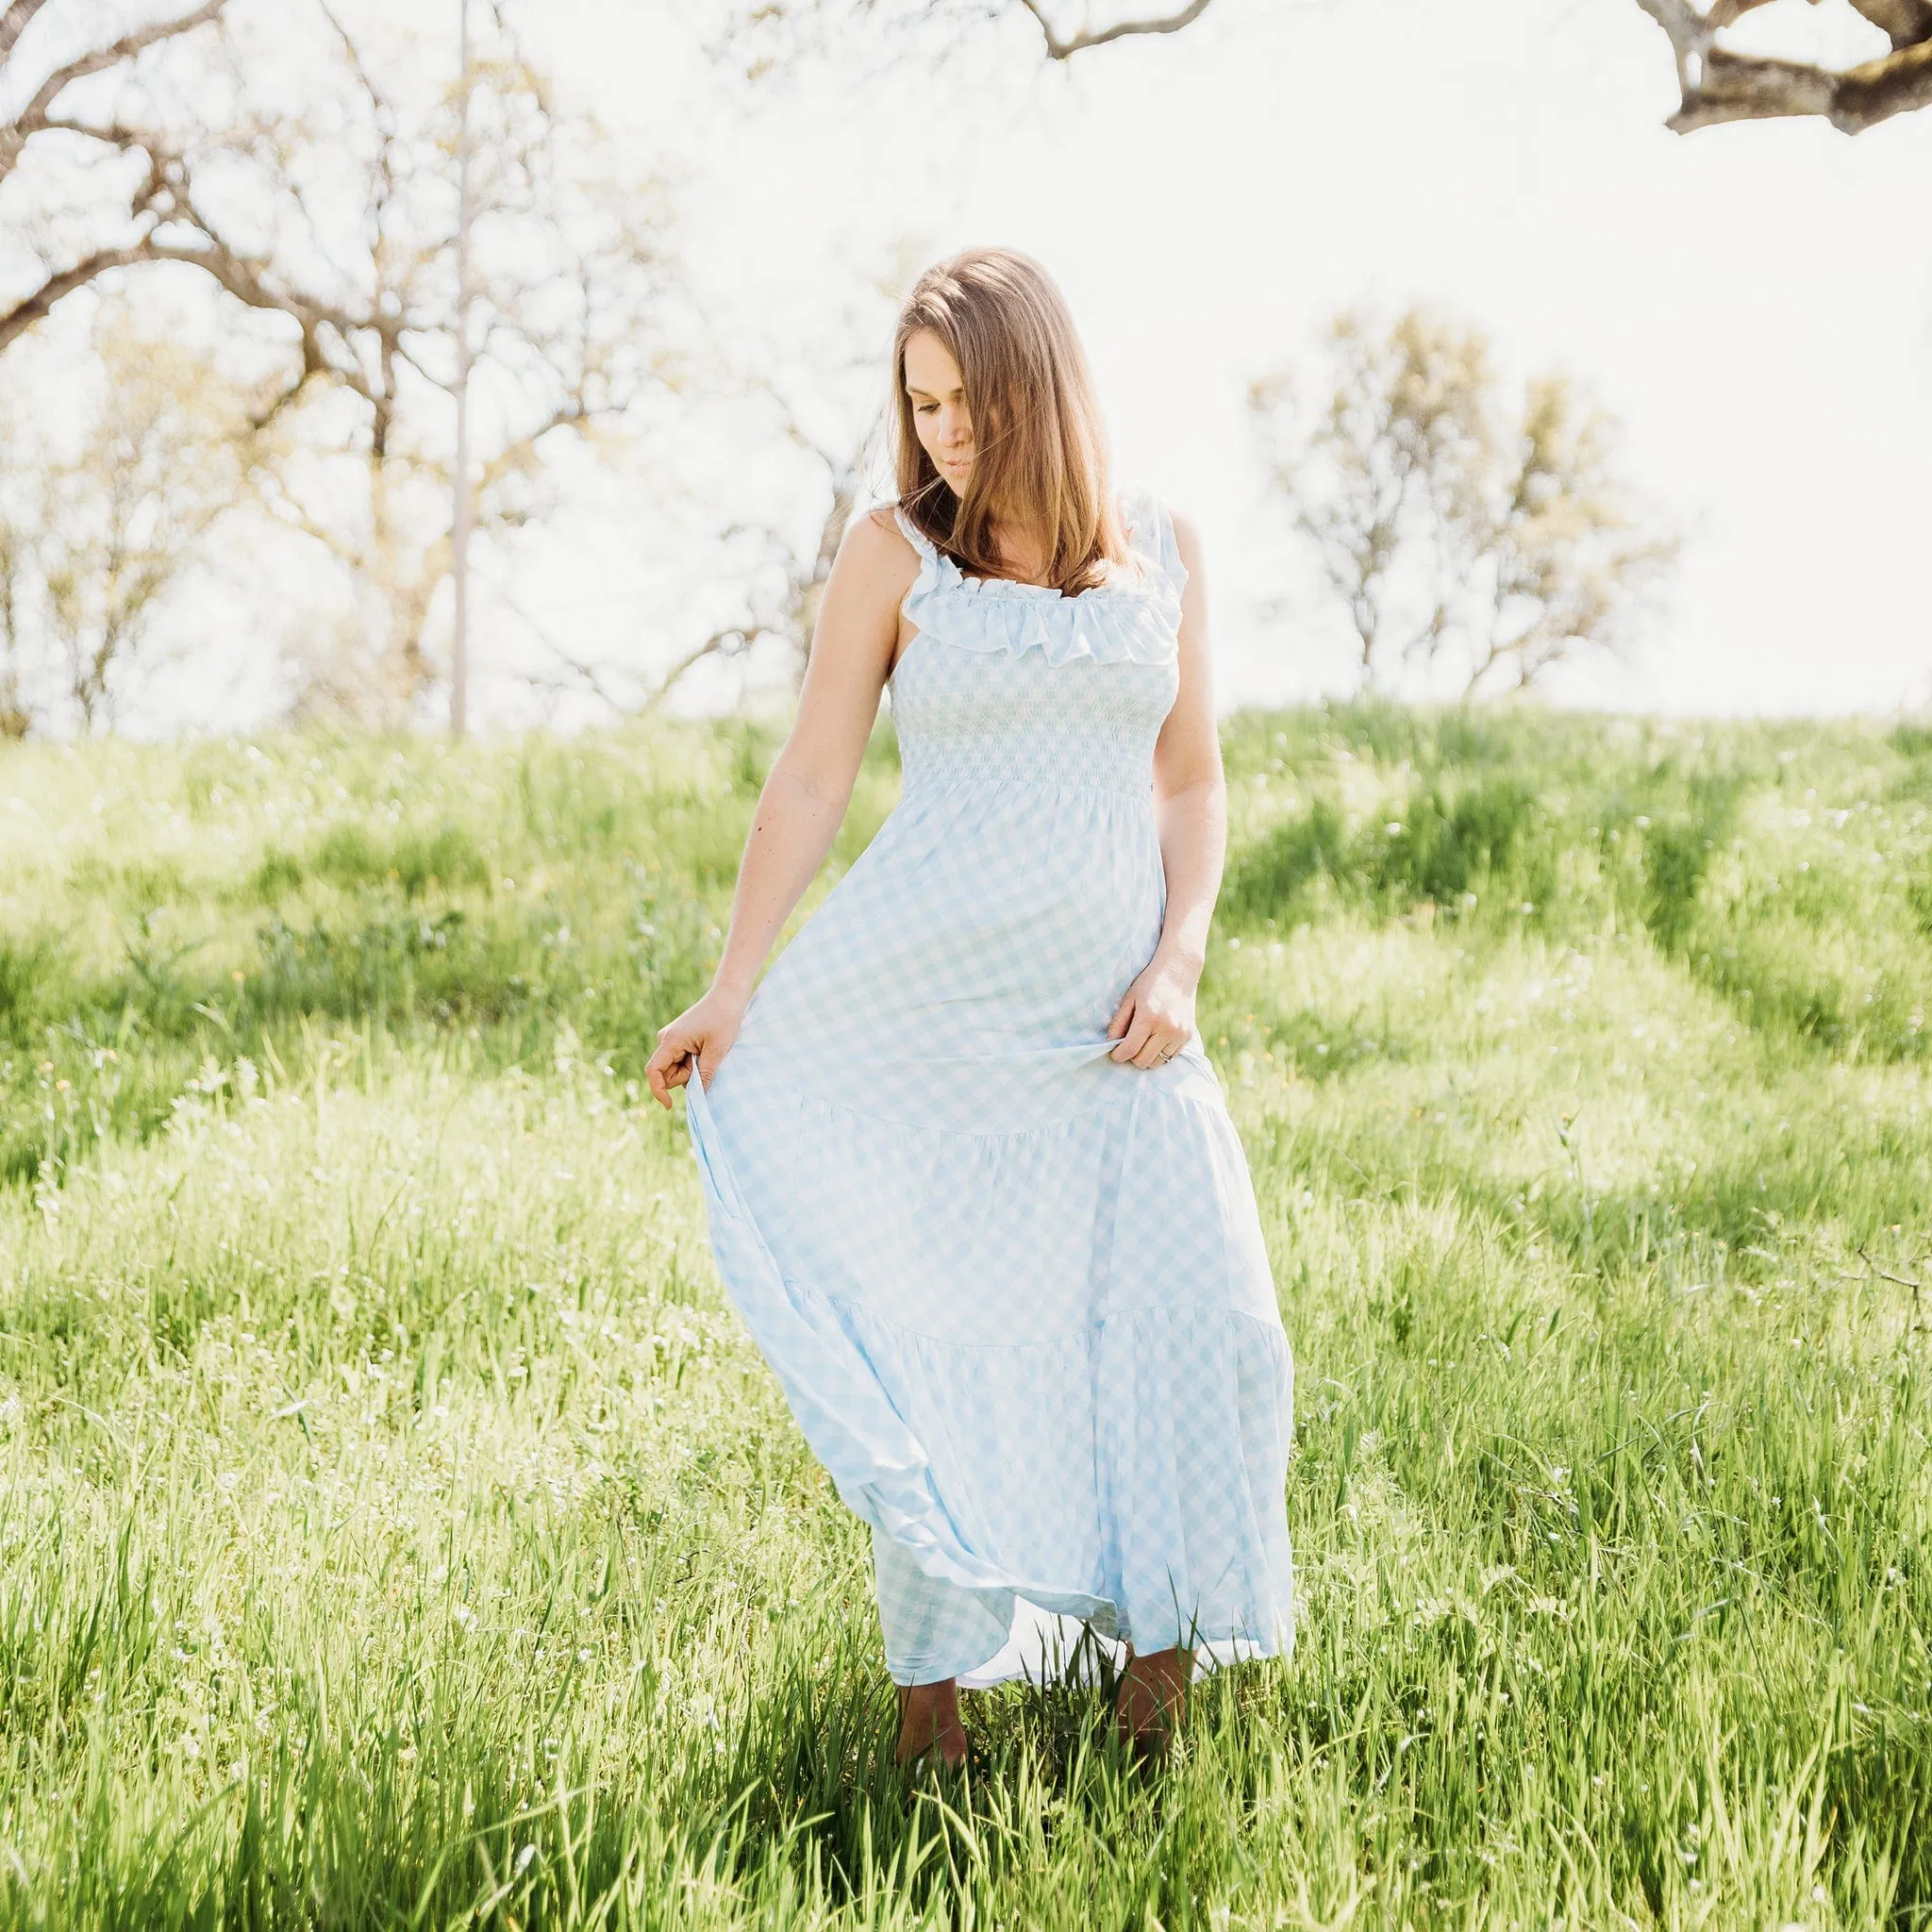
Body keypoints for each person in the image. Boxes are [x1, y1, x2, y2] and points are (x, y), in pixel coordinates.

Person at [645, 245, 1294, 1768]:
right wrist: (736, 985)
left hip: (1113, 1030)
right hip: (923, 1021)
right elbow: (812, 777)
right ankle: (930, 1718)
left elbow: (1189, 781)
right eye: (919, 403)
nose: (940, 431)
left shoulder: (1166, 549)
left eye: (966, 399)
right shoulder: (893, 555)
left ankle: (1156, 1697)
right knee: (937, 1337)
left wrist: (1181, 958)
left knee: (1198, 1323)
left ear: (1038, 383)